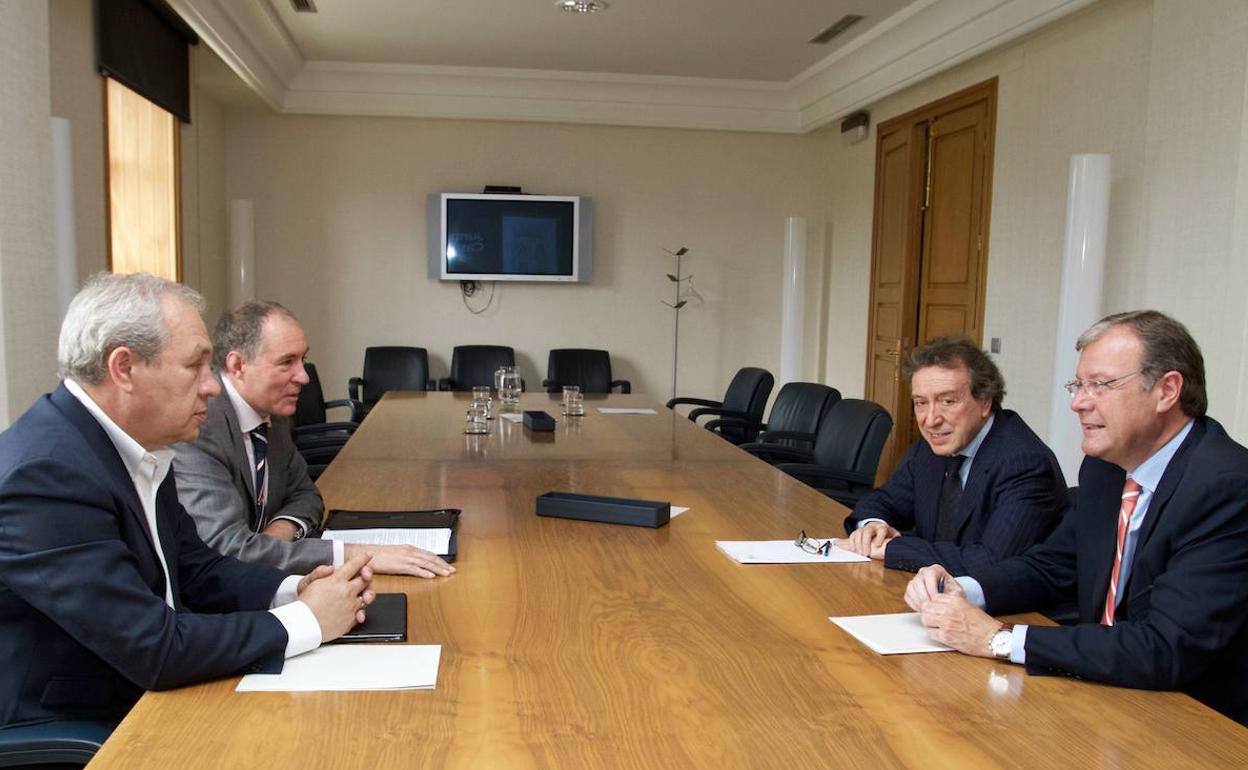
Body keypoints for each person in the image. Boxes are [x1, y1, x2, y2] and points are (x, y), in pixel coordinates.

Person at [0, 273, 375, 730]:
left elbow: (198, 570)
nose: (212, 386)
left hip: (156, 688)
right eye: (195, 366)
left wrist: (291, 589)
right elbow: (152, 647)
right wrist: (308, 620)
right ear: (125, 368)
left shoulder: (137, 444)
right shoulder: (46, 475)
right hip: (90, 720)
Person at [905, 311, 1248, 725]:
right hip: (1103, 692)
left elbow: (1166, 648)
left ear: (1167, 390)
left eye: (1100, 385)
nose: (1077, 402)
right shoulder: (1105, 468)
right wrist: (960, 588)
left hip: (1196, 719)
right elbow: (1052, 565)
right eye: (1078, 385)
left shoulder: (1226, 485)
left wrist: (998, 639)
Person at [173, 300, 455, 577]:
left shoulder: (273, 412)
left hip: (267, 579)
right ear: (237, 365)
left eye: (302, 359)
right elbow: (229, 553)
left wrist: (278, 534)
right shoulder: (199, 428)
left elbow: (306, 495)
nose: (303, 377)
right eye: (287, 362)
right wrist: (356, 554)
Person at [841, 336, 1066, 574]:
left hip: (1009, 609)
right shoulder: (934, 447)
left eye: (947, 401)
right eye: (920, 403)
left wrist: (894, 549)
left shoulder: (1024, 463)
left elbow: (991, 562)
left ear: (985, 402)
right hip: (937, 594)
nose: (930, 420)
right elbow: (881, 501)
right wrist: (874, 526)